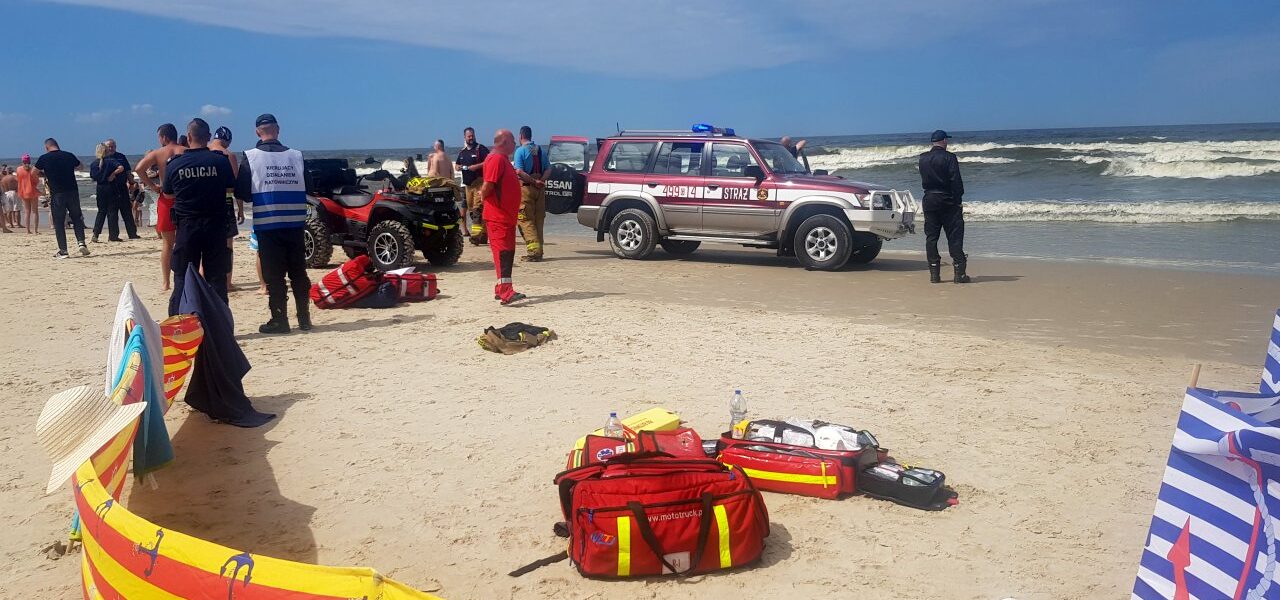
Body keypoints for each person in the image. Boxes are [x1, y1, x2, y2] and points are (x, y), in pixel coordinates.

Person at [234, 113, 311, 333]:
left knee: (274, 275)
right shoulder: (296, 156)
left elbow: (243, 192)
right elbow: (309, 186)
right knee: (298, 271)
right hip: (295, 222)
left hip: (268, 223)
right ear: (278, 130)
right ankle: (304, 319)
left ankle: (280, 319)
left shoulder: (251, 156)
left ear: (258, 132)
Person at [163, 118, 236, 314]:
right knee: (216, 278)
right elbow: (230, 188)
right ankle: (221, 327)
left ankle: (179, 325)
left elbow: (168, 194)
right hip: (215, 226)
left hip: (187, 227)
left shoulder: (175, 164)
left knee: (183, 277)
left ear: (188, 137)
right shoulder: (220, 161)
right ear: (208, 137)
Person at [136, 123, 185, 290]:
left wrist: (153, 186)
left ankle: (166, 282)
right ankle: (188, 278)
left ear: (163, 137)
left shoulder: (158, 153)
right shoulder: (184, 151)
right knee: (185, 242)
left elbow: (139, 169)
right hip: (183, 199)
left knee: (167, 244)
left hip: (166, 198)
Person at [481, 129, 526, 305]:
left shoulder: (503, 159)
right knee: (503, 254)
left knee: (506, 253)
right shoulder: (496, 159)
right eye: (513, 140)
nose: (515, 143)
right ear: (504, 142)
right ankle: (506, 291)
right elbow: (488, 185)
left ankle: (502, 289)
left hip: (505, 217)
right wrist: (482, 196)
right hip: (498, 216)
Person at [918, 129, 970, 284]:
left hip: (929, 199)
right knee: (954, 236)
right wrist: (958, 199)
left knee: (931, 237)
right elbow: (956, 181)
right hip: (947, 200)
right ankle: (959, 274)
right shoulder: (950, 158)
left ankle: (934, 275)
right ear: (944, 141)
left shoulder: (923, 158)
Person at [34, 138, 89, 258]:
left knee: (58, 221)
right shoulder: (68, 155)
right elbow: (81, 167)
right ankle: (81, 242)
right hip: (72, 191)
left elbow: (34, 172)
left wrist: (45, 174)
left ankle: (63, 250)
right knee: (77, 217)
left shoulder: (44, 158)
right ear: (57, 145)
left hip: (57, 193)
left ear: (46, 147)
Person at [210, 126, 242, 289]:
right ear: (227, 140)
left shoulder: (204, 151)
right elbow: (235, 185)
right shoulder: (228, 155)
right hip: (225, 202)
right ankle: (227, 282)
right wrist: (241, 209)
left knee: (207, 243)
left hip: (205, 202)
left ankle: (204, 278)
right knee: (227, 244)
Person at [512, 125, 549, 261]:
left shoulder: (520, 151)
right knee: (539, 220)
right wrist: (541, 181)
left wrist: (533, 181)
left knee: (525, 219)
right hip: (540, 189)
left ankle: (534, 252)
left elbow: (519, 171)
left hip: (527, 188)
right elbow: (548, 169)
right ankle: (539, 251)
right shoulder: (541, 151)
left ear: (520, 136)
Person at [455, 126, 489, 244]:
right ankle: (484, 235)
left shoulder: (480, 149)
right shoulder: (462, 152)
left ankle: (475, 237)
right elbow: (457, 164)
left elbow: (489, 161)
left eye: (473, 135)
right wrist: (458, 167)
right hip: (468, 186)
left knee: (477, 209)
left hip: (479, 183)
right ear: (464, 137)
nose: (471, 138)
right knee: (471, 210)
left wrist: (477, 166)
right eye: (469, 136)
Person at [89, 143, 126, 242]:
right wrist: (113, 174)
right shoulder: (111, 161)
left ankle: (96, 234)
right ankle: (113, 236)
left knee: (101, 212)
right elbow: (121, 168)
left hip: (100, 188)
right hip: (111, 188)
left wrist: (101, 176)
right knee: (112, 212)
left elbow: (93, 177)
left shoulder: (94, 164)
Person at [104, 139, 138, 239]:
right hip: (109, 188)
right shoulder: (103, 158)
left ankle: (132, 234)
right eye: (109, 146)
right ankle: (113, 236)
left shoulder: (121, 157)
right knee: (112, 213)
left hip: (122, 186)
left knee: (127, 210)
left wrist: (132, 183)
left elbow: (127, 171)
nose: (111, 148)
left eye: (113, 146)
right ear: (105, 147)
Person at [15, 155, 42, 234]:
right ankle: (35, 230)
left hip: (23, 192)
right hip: (32, 191)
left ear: (22, 161)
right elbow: (36, 181)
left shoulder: (18, 169)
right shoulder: (32, 170)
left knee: (27, 212)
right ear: (29, 161)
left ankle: (28, 230)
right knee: (35, 211)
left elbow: (18, 179)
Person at [0, 167, 16, 233]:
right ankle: (4, 228)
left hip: (5, 193)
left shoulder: (3, 177)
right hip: (9, 193)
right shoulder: (3, 176)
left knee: (3, 212)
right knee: (1, 212)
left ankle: (5, 226)